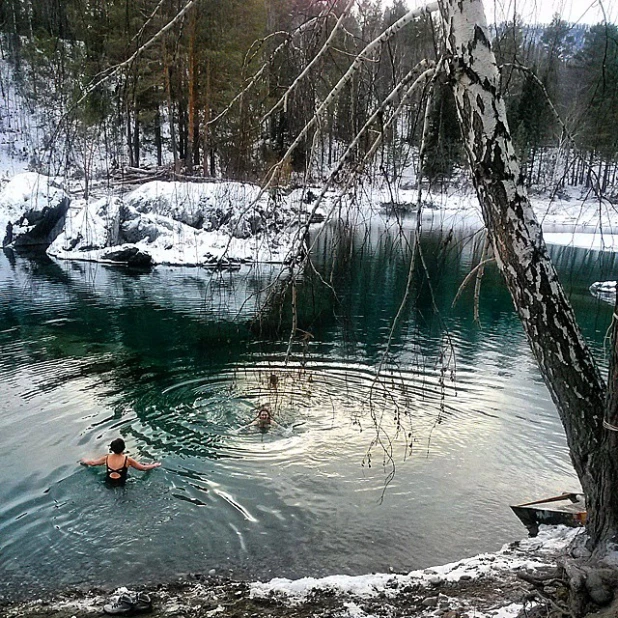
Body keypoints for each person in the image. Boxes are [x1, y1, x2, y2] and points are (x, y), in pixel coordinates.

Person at [80, 437, 161, 483]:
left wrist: (84, 460)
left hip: (108, 482)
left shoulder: (107, 458)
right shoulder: (127, 459)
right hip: (122, 482)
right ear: (123, 448)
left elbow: (93, 463)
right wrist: (154, 465)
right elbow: (143, 468)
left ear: (112, 449)